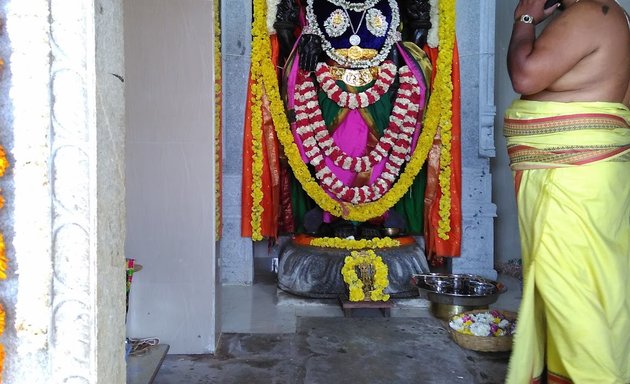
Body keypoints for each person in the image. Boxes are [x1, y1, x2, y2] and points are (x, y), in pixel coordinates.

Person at [505, 0, 630, 383]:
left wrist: (524, 19)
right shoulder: (612, 16)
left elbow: (525, 76)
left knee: (570, 295)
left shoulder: (591, 12)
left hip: (571, 177)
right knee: (588, 289)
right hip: (583, 175)